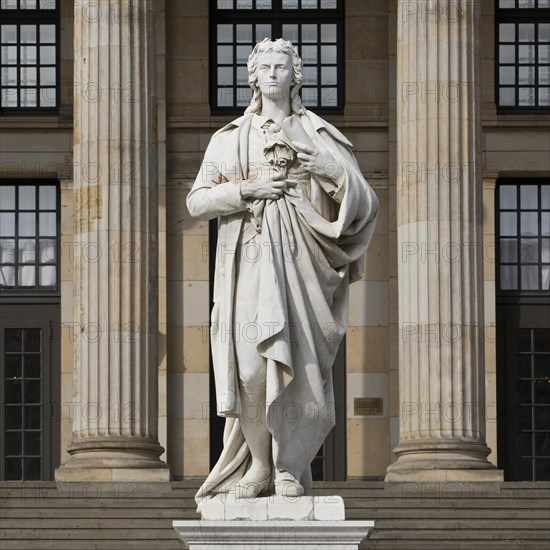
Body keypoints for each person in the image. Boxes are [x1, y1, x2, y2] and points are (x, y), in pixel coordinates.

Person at [188, 38, 378, 505]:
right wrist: (247, 189)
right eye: (264, 67)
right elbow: (197, 201)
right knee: (251, 368)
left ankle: (290, 467)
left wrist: (329, 169)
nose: (272, 74)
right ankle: (257, 464)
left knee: (304, 371)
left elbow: (365, 202)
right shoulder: (229, 138)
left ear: (296, 75)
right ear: (252, 77)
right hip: (248, 263)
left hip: (304, 267)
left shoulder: (320, 134)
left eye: (282, 66)